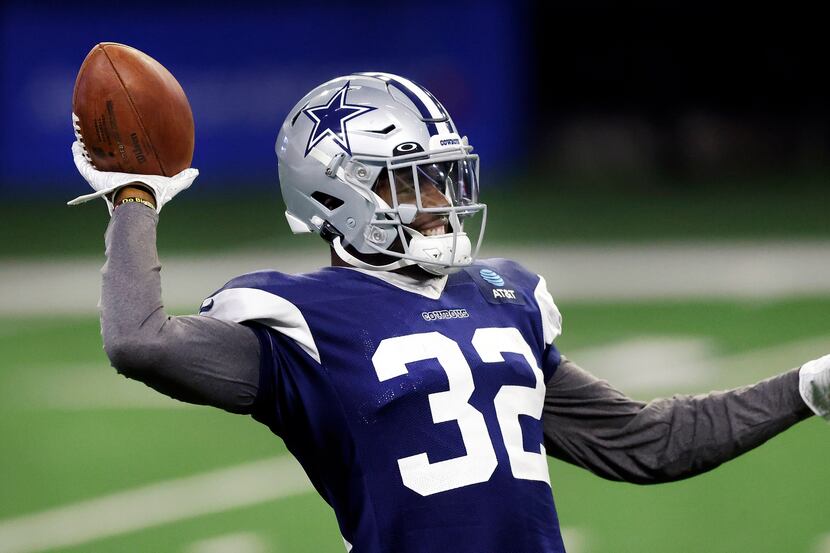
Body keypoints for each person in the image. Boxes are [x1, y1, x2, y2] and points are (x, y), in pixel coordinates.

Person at [69, 72, 830, 553]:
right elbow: (139, 338)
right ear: (333, 195)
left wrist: (805, 386)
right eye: (411, 182)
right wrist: (135, 198)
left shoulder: (506, 296)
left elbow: (648, 442)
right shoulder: (296, 320)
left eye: (442, 175)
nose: (440, 201)